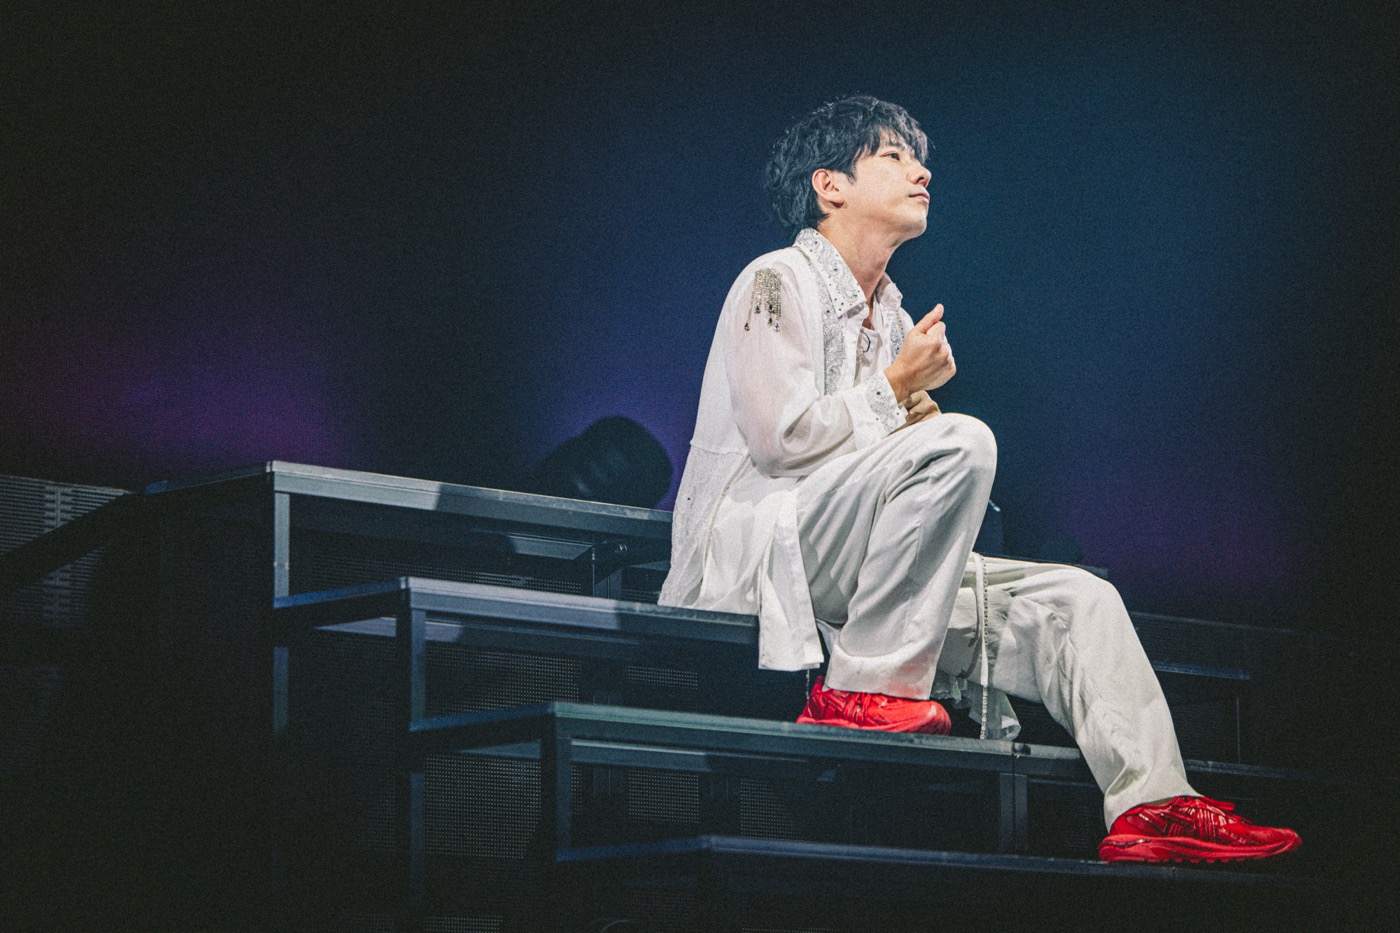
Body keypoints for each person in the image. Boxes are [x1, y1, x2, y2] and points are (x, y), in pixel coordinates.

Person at [658, 95, 1300, 864]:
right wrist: (898, 391)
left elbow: (898, 472)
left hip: (855, 569)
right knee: (963, 441)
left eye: (918, 158)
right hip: (765, 557)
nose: (920, 171)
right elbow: (779, 440)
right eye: (893, 155)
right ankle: (860, 690)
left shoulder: (894, 321)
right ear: (830, 185)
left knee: (1078, 599)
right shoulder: (775, 281)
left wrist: (912, 417)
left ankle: (1153, 803)